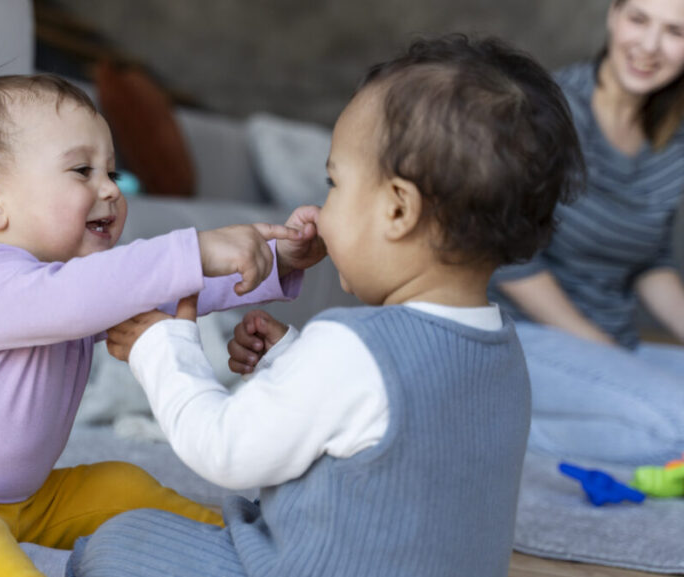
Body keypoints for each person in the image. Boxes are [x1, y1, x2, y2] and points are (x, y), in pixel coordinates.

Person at [66, 35, 583, 577]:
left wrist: (161, 348)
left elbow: (224, 449)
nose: (320, 209)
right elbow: (384, 429)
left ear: (398, 209)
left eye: (334, 183)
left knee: (121, 542)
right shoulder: (503, 349)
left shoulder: (351, 348)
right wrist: (291, 356)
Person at [0, 74, 324, 577]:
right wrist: (195, 248)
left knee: (120, 485)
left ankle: (241, 552)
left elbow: (157, 292)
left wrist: (274, 258)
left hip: (21, 502)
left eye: (112, 171)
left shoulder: (66, 286)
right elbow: (88, 292)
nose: (110, 189)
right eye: (82, 170)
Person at [491, 0, 684, 466]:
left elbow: (649, 261)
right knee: (677, 426)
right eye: (639, 20)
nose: (650, 46)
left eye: (675, 32)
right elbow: (508, 254)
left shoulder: (674, 137)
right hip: (525, 336)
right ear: (613, 16)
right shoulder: (546, 111)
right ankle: (498, 424)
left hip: (616, 340)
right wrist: (607, 354)